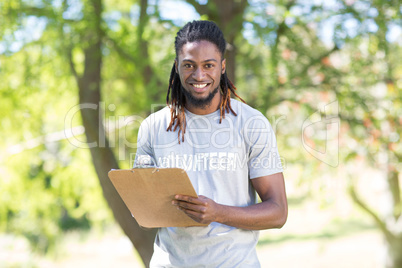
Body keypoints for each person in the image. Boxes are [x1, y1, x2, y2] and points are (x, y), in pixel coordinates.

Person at [134, 20, 287, 267]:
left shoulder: (252, 124)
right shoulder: (152, 128)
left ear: (222, 67)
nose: (199, 75)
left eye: (208, 65)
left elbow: (278, 212)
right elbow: (145, 208)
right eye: (189, 65)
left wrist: (217, 213)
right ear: (177, 66)